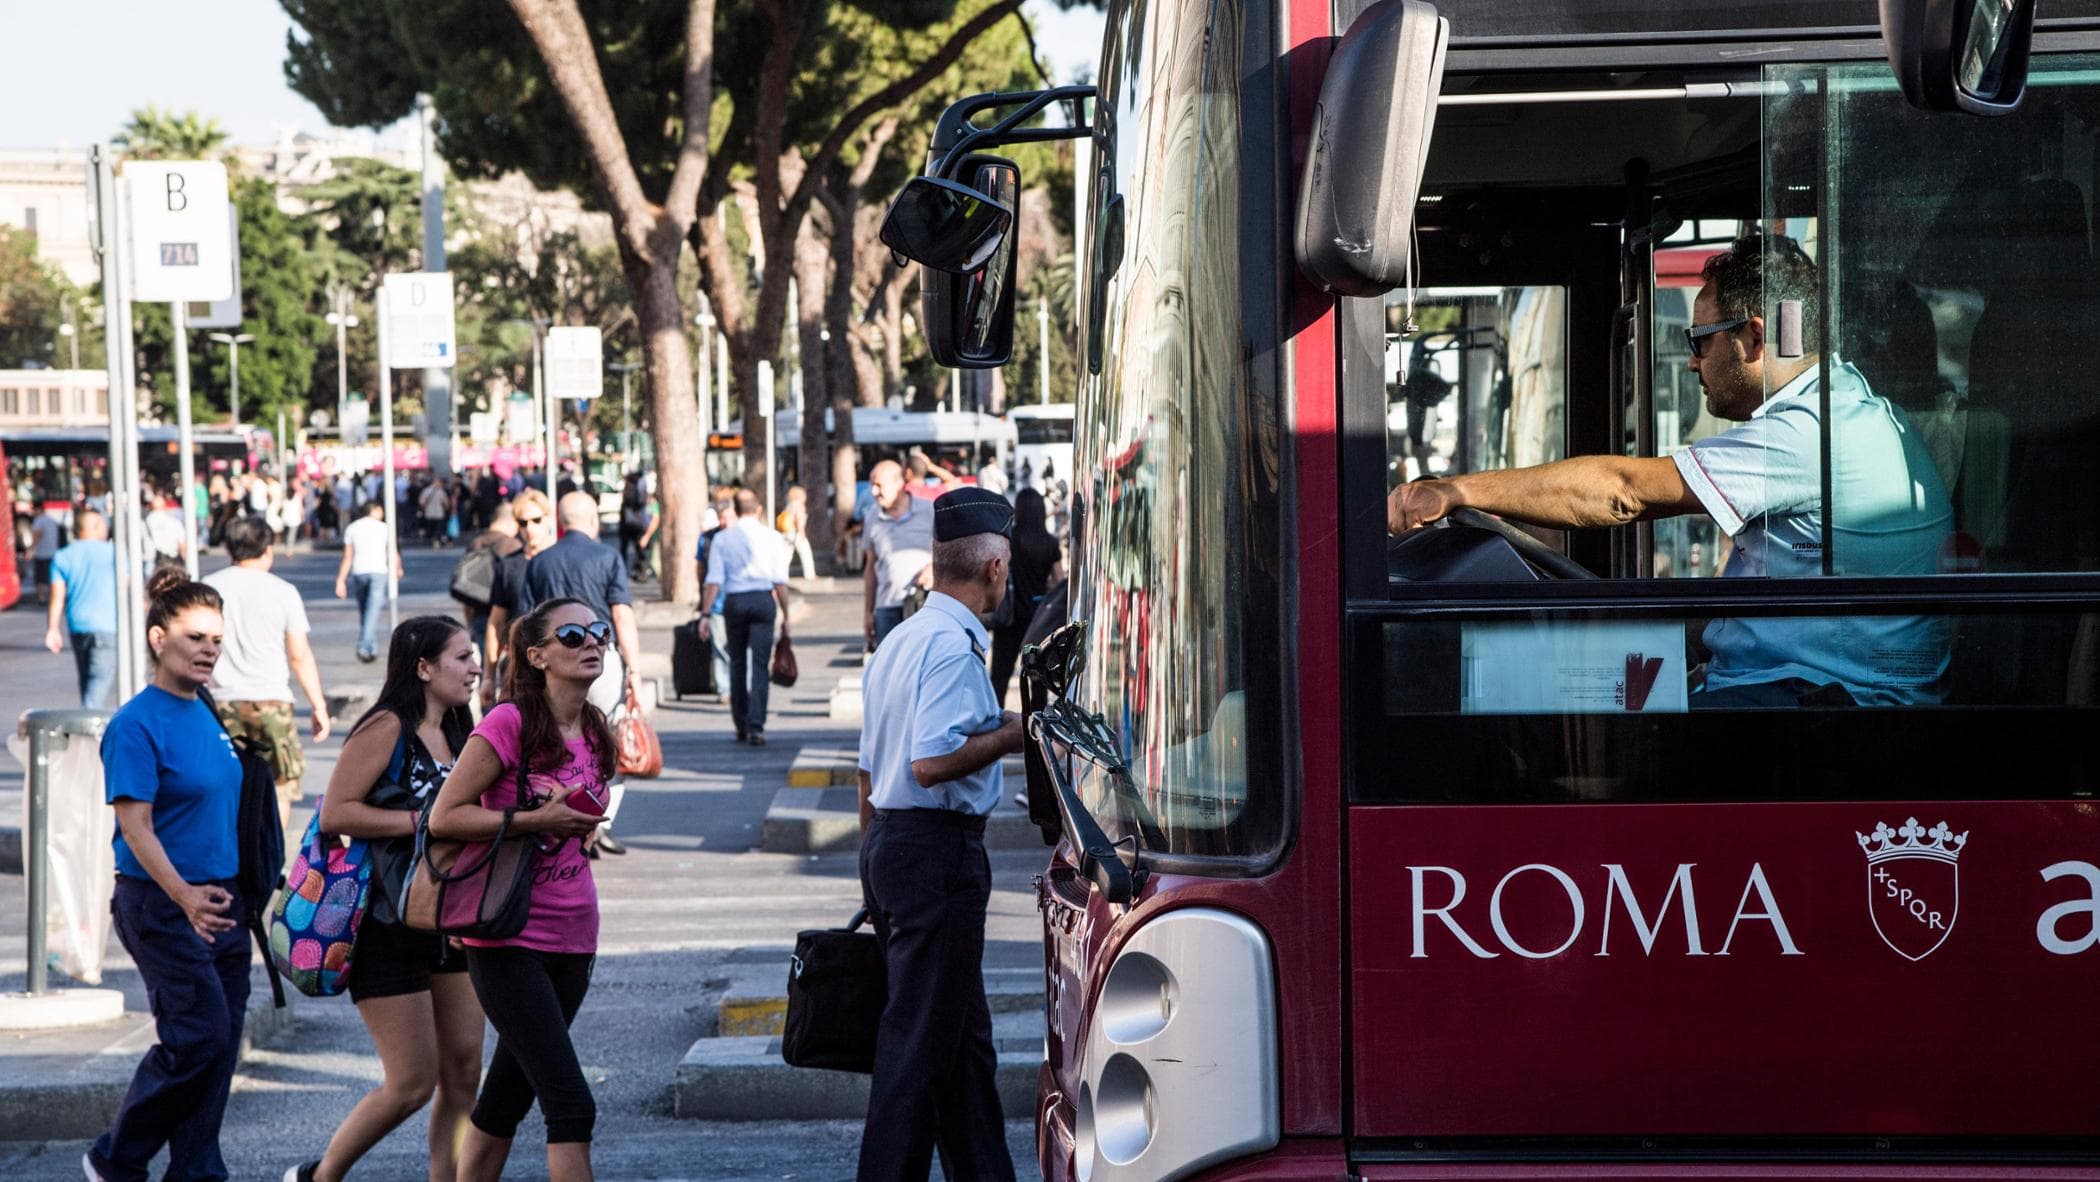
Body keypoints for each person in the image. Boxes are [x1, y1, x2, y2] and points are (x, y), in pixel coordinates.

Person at [1388, 233, 1954, 707]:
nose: (1690, 362)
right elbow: (1759, 597)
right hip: (1807, 687)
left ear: (1754, 337)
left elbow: (1623, 492)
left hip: (1822, 705)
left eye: (1699, 340)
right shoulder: (1845, 403)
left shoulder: (1805, 436)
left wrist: (1456, 488)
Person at [854, 487, 1023, 1182]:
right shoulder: (953, 650)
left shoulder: (904, 637)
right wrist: (1015, 730)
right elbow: (929, 761)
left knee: (962, 1046)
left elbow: (868, 767)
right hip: (935, 852)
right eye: (1007, 567)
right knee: (917, 1046)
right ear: (993, 569)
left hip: (898, 846)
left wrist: (873, 858)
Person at [285, 617, 485, 1182]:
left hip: (452, 917)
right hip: (385, 923)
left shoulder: (462, 729)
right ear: (423, 668)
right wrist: (422, 820)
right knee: (412, 1083)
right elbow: (336, 812)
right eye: (462, 657)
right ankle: (321, 1176)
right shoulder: (385, 727)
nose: (474, 668)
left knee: (465, 1073)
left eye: (474, 657)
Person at [429, 598, 613, 1182]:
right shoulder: (507, 724)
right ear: (537, 656)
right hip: (508, 936)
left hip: (575, 934)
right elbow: (444, 816)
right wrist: (535, 821)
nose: (592, 642)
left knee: (507, 1097)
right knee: (571, 1103)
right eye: (574, 635)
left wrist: (570, 830)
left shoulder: (594, 728)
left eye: (599, 632)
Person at [83, 569, 245, 1182]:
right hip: (162, 903)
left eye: (216, 639)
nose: (209, 648)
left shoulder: (204, 709)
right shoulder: (135, 723)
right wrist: (183, 898)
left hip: (223, 899)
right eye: (195, 636)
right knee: (198, 1037)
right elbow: (136, 827)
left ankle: (199, 1172)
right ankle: (115, 1159)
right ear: (158, 639)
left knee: (220, 1046)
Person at [515, 491, 642, 854]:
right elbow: (621, 615)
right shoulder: (607, 557)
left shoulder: (540, 562)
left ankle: (561, 816)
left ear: (560, 520)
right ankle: (601, 819)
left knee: (557, 739)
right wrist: (633, 668)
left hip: (553, 665)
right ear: (594, 521)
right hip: (598, 662)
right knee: (605, 740)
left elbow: (527, 620)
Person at [205, 517, 332, 831]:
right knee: (280, 786)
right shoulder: (283, 591)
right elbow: (299, 655)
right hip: (272, 702)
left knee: (223, 784)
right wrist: (318, 705)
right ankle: (270, 863)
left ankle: (231, 857)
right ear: (267, 550)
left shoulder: (208, 587)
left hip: (219, 703)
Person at [699, 488, 792, 745]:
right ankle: (756, 725)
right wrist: (786, 615)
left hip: (736, 602)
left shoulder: (723, 539)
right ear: (759, 509)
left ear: (736, 511)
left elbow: (714, 580)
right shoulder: (773, 538)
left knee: (737, 663)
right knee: (760, 666)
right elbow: (780, 582)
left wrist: (705, 613)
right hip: (763, 600)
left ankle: (740, 723)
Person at [990, 488, 1062, 706]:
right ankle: (1035, 728)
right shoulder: (1049, 543)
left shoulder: (1008, 540)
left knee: (1000, 677)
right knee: (1038, 677)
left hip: (1009, 617)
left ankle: (997, 722)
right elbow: (1058, 580)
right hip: (1038, 619)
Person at [483, 489, 556, 703]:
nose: (530, 528)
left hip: (556, 663)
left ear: (548, 518)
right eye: (523, 523)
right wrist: (488, 676)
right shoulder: (509, 565)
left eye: (536, 520)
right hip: (518, 665)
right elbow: (495, 622)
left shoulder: (561, 560)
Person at [44, 506, 118, 708]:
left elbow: (57, 597)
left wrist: (53, 629)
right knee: (98, 683)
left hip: (77, 626)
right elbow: (129, 589)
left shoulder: (63, 556)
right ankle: (85, 729)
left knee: (87, 681)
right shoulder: (114, 554)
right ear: (94, 527)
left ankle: (86, 723)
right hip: (108, 626)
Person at [862, 459, 935, 650]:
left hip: (924, 605)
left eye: (879, 485)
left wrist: (933, 568)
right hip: (887, 607)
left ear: (899, 484)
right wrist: (868, 612)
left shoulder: (928, 511)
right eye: (872, 486)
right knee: (890, 671)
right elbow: (870, 567)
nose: (874, 492)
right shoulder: (872, 516)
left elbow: (950, 552)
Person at [336, 499, 403, 663]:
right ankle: (365, 646)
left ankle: (370, 647)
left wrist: (341, 579)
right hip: (379, 571)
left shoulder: (352, 528)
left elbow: (347, 556)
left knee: (365, 611)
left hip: (359, 571)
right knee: (372, 611)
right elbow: (392, 551)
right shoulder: (384, 528)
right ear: (374, 510)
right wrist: (398, 567)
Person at [455, 501, 525, 658]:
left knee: (487, 669)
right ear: (511, 521)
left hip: (479, 616)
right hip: (506, 619)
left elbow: (465, 589)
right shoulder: (512, 545)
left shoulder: (476, 543)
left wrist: (469, 621)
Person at [778, 484, 817, 580]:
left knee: (786, 556)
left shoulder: (789, 505)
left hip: (786, 533)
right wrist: (801, 531)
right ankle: (810, 574)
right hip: (796, 532)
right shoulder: (799, 505)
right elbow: (799, 519)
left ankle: (781, 575)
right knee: (806, 553)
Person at [29, 500, 61, 604]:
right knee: (50, 576)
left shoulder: (39, 521)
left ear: (37, 509)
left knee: (40, 577)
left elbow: (37, 535)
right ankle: (52, 597)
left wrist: (30, 549)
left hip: (41, 553)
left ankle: (41, 597)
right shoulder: (51, 520)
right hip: (53, 552)